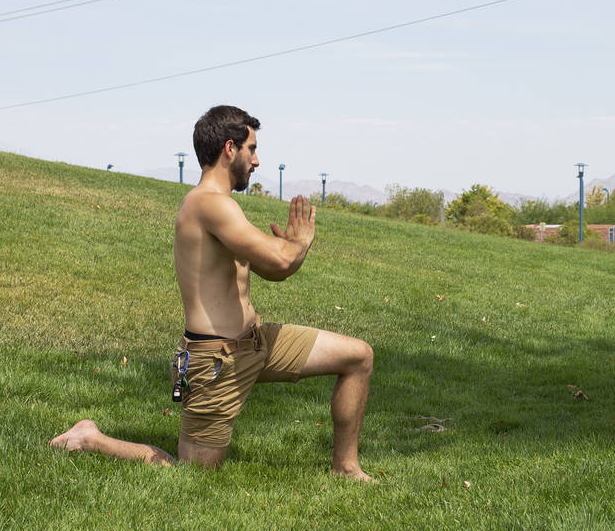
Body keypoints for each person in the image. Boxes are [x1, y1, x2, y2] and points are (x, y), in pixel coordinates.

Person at [51, 106, 375, 480]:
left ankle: (346, 468)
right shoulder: (209, 205)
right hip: (214, 361)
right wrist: (298, 244)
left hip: (257, 343)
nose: (257, 160)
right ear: (229, 149)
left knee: (358, 356)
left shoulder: (226, 208)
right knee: (193, 472)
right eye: (251, 148)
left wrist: (292, 250)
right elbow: (282, 261)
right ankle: (92, 438)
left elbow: (274, 269)